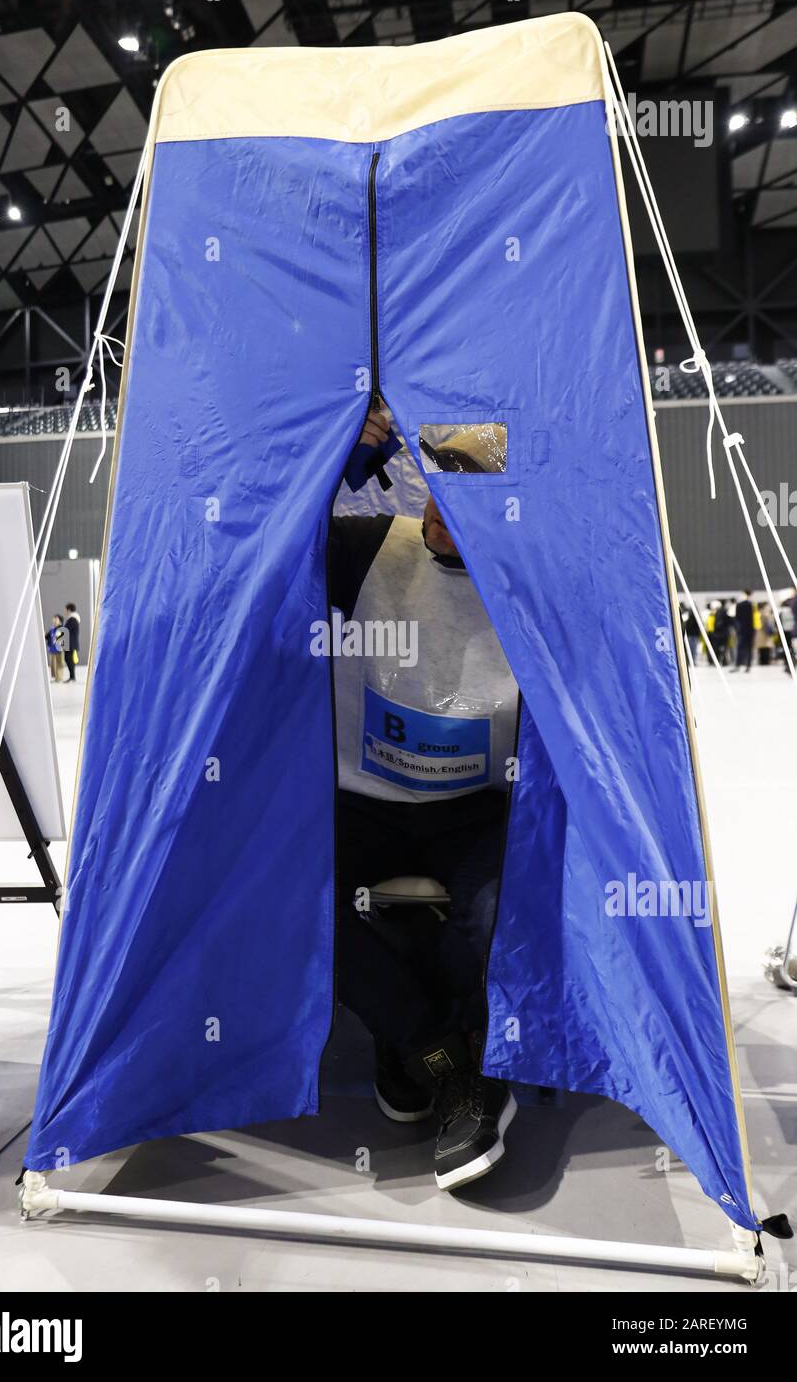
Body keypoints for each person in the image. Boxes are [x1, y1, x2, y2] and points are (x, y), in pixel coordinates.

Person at [329, 407, 517, 1191]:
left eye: (464, 496)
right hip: (362, 801)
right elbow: (265, 538)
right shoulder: (376, 544)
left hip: (473, 807)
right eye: (437, 487)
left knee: (490, 917)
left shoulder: (530, 588)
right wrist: (342, 458)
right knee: (294, 901)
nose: (438, 507)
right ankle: (442, 1064)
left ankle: (436, 1058)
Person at [733, 589, 755, 672]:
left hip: (743, 630)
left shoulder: (740, 604)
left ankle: (739, 665)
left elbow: (737, 618)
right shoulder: (751, 604)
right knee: (748, 648)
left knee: (741, 648)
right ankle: (747, 665)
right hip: (749, 630)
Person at [63, 603, 81, 683]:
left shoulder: (72, 619)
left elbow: (66, 630)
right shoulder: (72, 619)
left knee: (69, 660)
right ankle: (72, 677)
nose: (65, 611)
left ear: (69, 610)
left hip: (71, 644)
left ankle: (72, 677)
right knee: (68, 659)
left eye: (66, 610)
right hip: (70, 643)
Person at [46, 613, 64, 682]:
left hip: (58, 649)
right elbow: (47, 637)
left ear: (59, 621)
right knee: (53, 664)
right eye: (53, 619)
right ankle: (55, 677)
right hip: (52, 649)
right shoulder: (52, 629)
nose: (54, 621)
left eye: (56, 619)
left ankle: (59, 677)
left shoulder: (61, 628)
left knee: (59, 664)